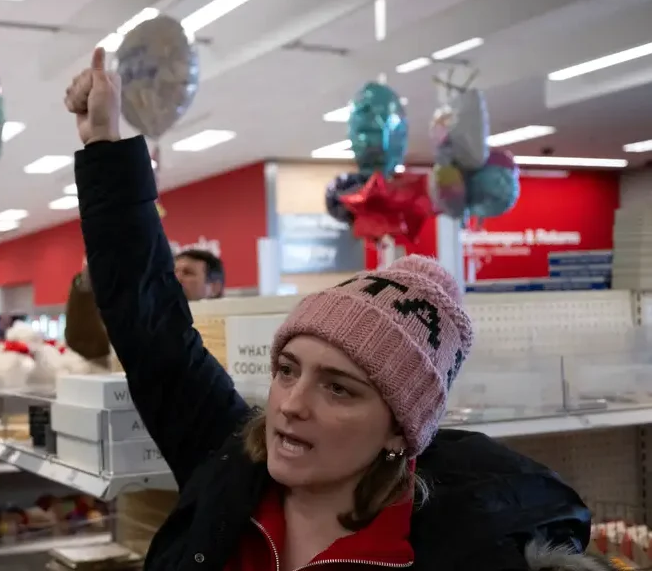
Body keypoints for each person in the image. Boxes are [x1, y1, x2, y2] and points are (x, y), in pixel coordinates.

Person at [63, 47, 615, 571]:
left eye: (340, 387)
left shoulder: (462, 551)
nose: (291, 405)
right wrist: (107, 149)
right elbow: (151, 324)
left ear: (400, 430)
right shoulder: (231, 468)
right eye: (287, 370)